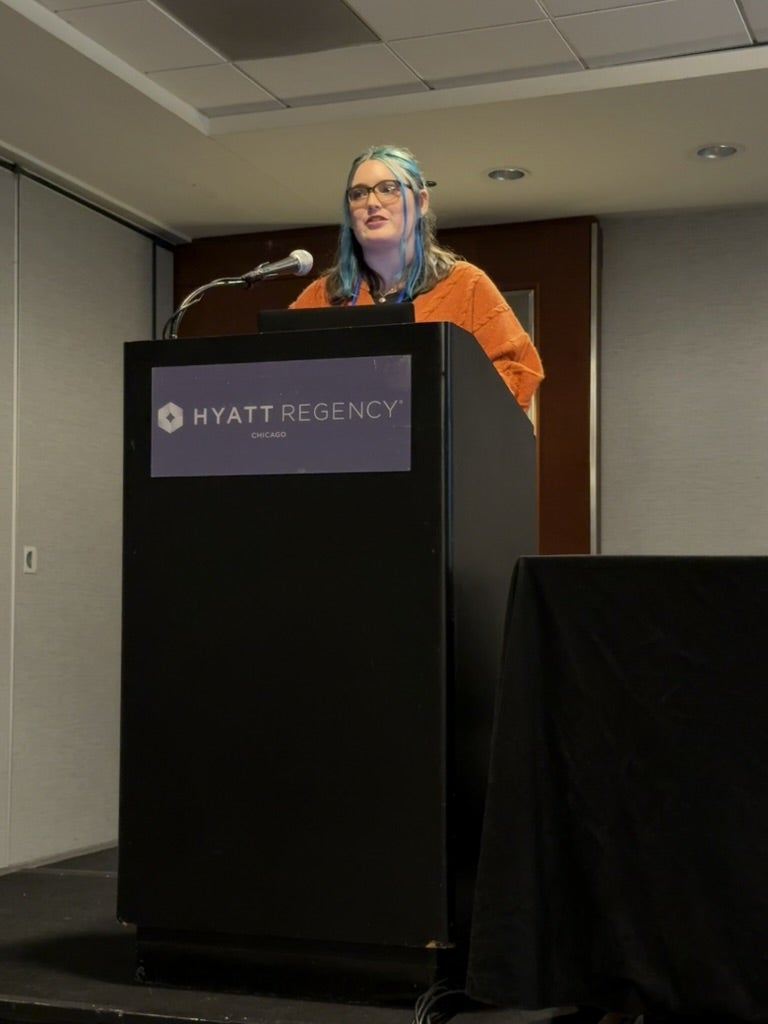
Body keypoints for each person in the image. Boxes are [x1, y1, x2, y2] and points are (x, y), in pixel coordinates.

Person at [290, 144, 544, 413]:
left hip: (434, 447)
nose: (372, 202)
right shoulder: (322, 296)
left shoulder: (466, 285)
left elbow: (516, 375)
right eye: (359, 194)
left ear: (421, 202)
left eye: (389, 189)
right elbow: (278, 380)